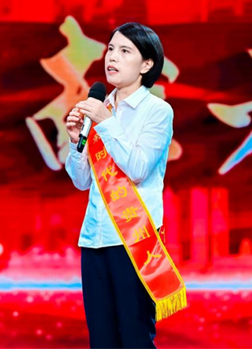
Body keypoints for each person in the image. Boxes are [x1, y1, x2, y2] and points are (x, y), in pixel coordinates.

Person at [65, 23, 186, 349]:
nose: (112, 57)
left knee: (134, 338)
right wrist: (76, 141)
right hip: (94, 239)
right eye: (110, 49)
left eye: (124, 51)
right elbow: (81, 181)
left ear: (146, 64)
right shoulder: (100, 108)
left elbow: (138, 168)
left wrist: (106, 123)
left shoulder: (157, 111)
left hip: (134, 239)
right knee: (101, 340)